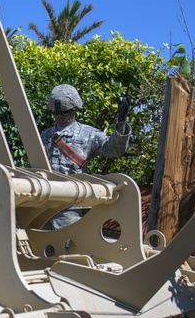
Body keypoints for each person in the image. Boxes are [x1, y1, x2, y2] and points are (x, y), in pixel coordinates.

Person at [41, 83, 132, 228]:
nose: (59, 116)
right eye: (55, 113)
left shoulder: (88, 134)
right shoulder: (45, 135)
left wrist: (121, 124)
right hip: (43, 205)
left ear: (75, 109)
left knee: (69, 248)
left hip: (71, 205)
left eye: (64, 112)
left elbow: (113, 149)